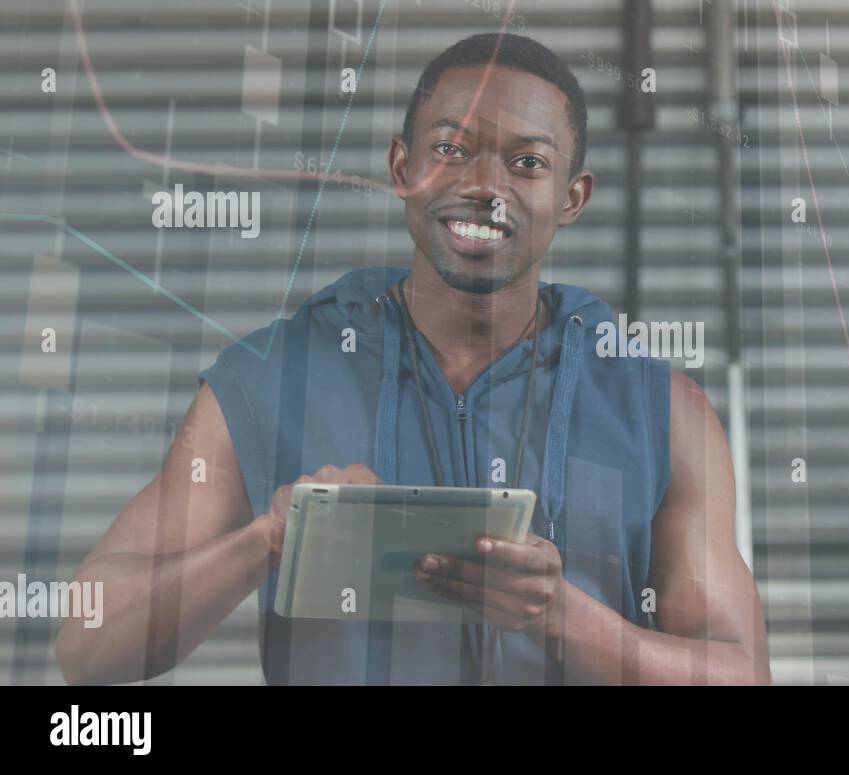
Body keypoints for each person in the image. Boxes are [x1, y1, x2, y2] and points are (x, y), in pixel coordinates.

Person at [55, 32, 770, 685]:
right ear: (403, 168)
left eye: (527, 162)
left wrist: (565, 619)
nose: (485, 185)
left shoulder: (661, 408)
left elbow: (743, 673)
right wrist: (269, 539)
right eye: (451, 149)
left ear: (572, 196)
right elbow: (86, 645)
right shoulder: (274, 374)